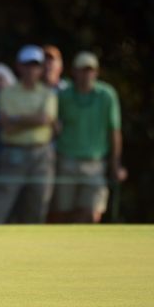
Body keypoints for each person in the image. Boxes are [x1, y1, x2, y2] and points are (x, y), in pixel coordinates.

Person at [52, 51, 127, 223]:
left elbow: (114, 131)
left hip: (96, 163)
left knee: (92, 213)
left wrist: (115, 164)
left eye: (90, 70)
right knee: (62, 212)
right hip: (66, 161)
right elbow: (54, 125)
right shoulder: (64, 96)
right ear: (74, 72)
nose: (86, 74)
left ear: (96, 72)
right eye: (82, 70)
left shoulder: (107, 95)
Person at [0, 45, 57, 224]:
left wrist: (17, 118)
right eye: (27, 65)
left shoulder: (48, 94)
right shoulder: (8, 92)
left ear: (41, 68)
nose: (31, 69)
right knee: (0, 207)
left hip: (41, 156)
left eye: (35, 65)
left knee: (38, 207)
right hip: (13, 155)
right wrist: (33, 120)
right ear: (19, 66)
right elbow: (6, 126)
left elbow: (45, 119)